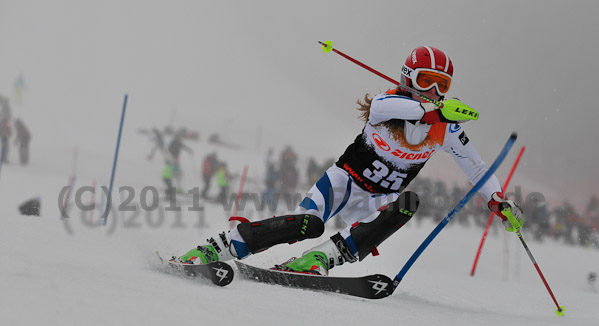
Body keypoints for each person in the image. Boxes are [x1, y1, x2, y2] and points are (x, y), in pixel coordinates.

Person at [177, 45, 524, 275]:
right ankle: (223, 245)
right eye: (425, 81)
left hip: (379, 198)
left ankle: (321, 259)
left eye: (440, 85)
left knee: (407, 203)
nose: (433, 92)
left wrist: (497, 200)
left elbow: (477, 167)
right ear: (407, 79)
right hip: (343, 183)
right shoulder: (391, 103)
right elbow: (380, 108)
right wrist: (434, 112)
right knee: (307, 225)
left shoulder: (445, 128)